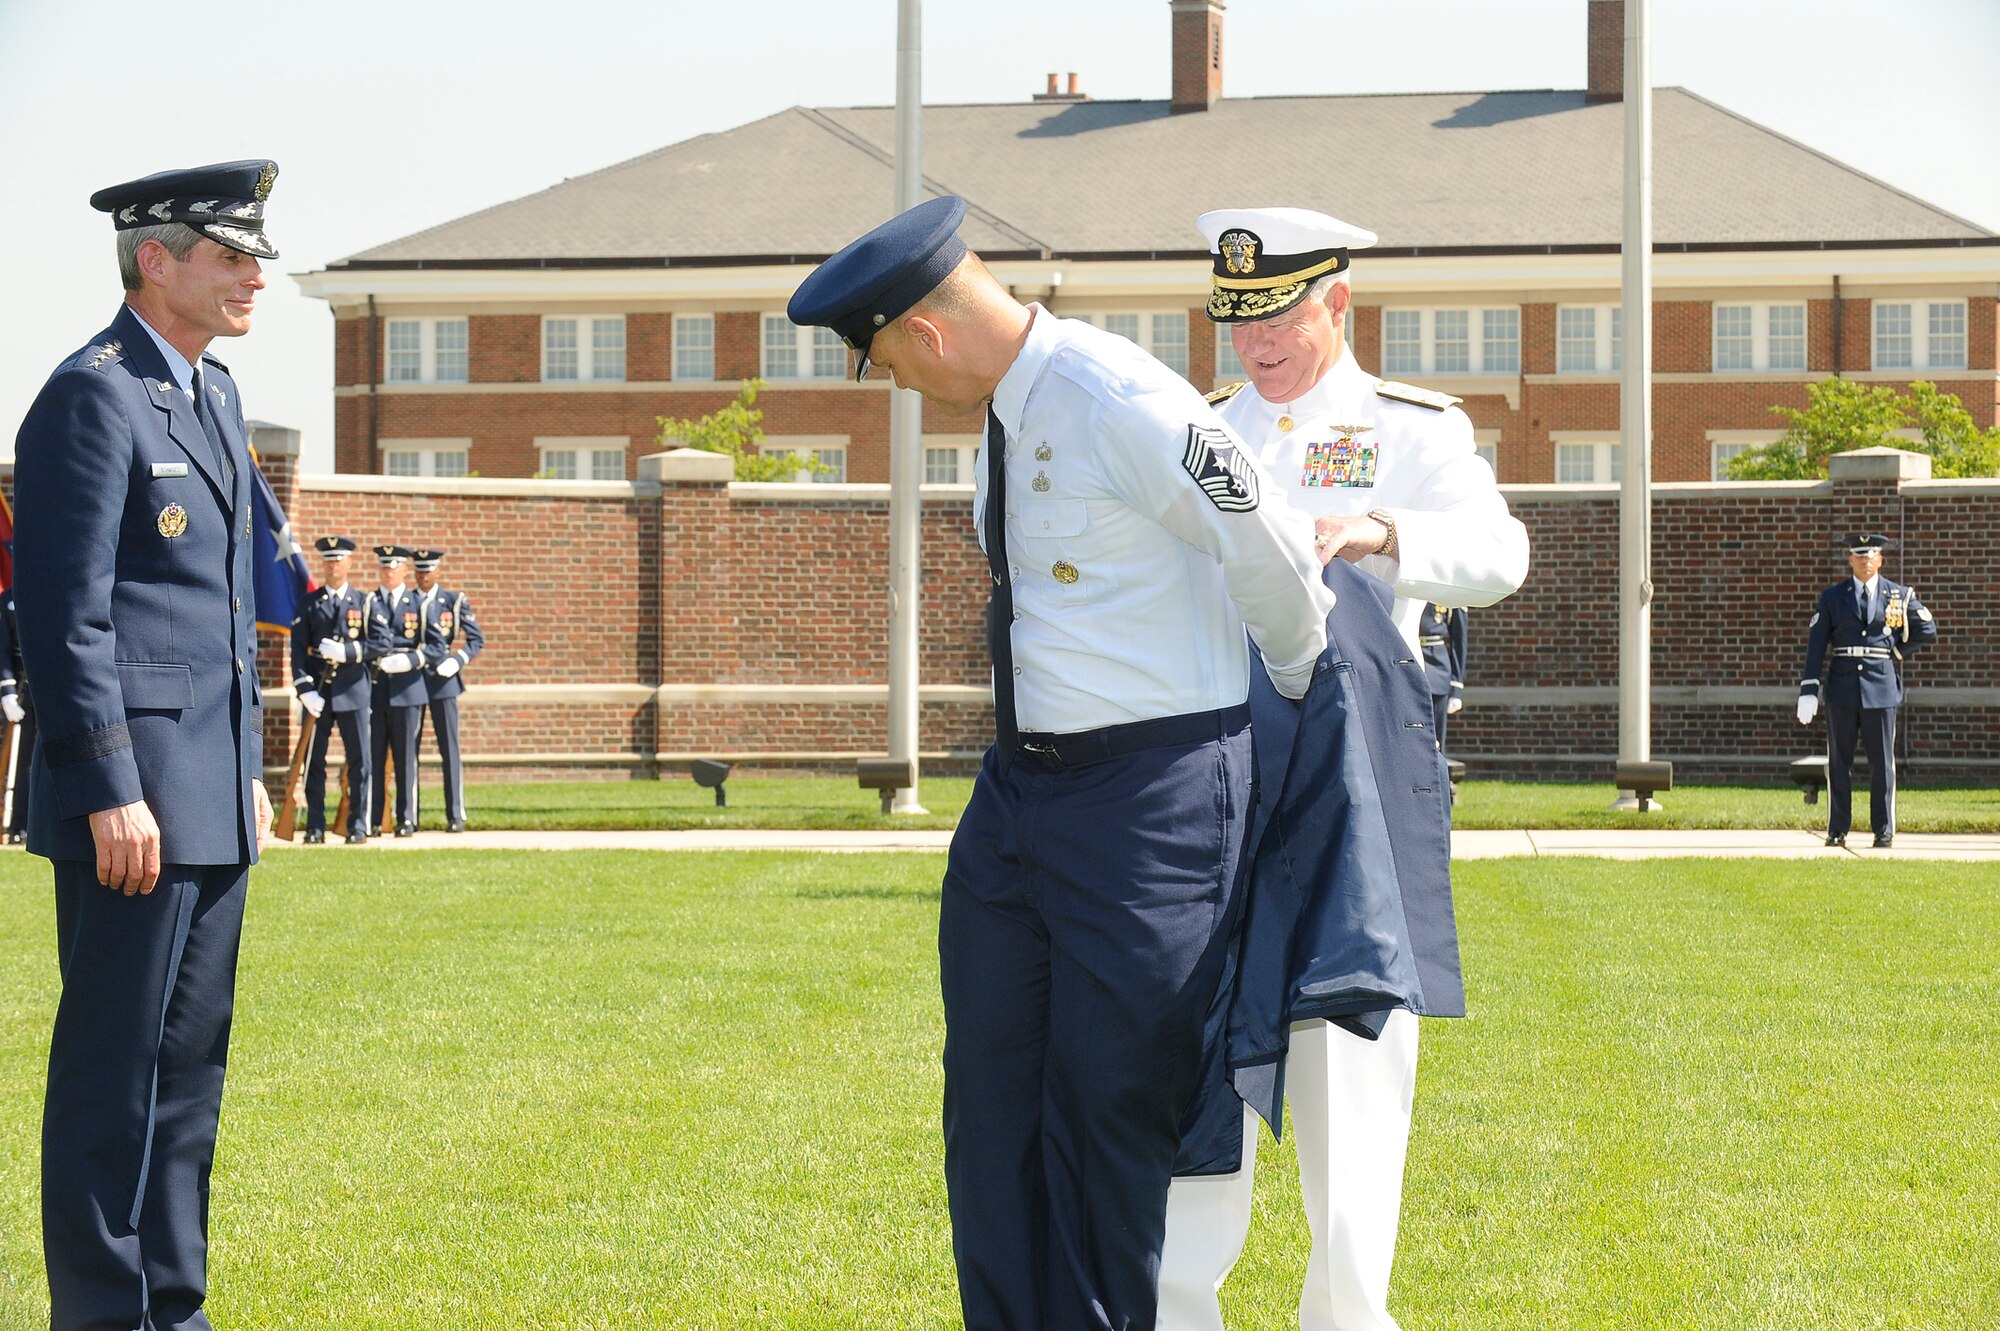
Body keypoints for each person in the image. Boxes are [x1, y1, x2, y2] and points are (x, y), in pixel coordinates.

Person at [788, 195, 1334, 1331]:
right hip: (1021, 796)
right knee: (988, 1112)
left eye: (883, 361)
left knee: (1103, 1120)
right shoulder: (1003, 410)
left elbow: (1273, 548)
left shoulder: (1115, 398)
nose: (892, 384)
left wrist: (1281, 696)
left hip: (1150, 804)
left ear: (927, 335)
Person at [1159, 207, 1530, 1331]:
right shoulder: (1192, 426)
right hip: (1204, 784)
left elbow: (1499, 554)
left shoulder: (1408, 429)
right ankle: (1175, 1310)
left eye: (1275, 315)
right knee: (1184, 1064)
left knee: (1348, 1078)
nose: (1254, 343)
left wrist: (1380, 530)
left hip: (1348, 795)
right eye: (1236, 320)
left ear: (1337, 304)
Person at [11, 159, 279, 1331]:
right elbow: (63, 617)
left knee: (188, 1081)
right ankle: (102, 1316)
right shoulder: (91, 394)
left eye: (253, 254)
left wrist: (251, 776)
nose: (252, 273)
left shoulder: (210, 395)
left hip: (210, 794)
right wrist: (110, 786)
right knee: (112, 1081)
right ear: (153, 258)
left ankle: (174, 1308)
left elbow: (227, 611)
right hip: (133, 804)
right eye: (228, 253)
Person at [1797, 533, 1936, 848]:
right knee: (1839, 762)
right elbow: (1817, 643)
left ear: (1880, 560)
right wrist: (1809, 688)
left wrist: (1895, 654)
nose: (1864, 561)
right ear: (1850, 560)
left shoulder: (1898, 595)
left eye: (1870, 555)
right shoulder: (1833, 597)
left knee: (1881, 763)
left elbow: (1927, 628)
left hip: (1881, 686)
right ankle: (1837, 829)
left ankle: (1883, 829)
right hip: (1843, 686)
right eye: (1858, 556)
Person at [290, 535, 388, 843]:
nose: (334, 564)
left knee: (359, 761)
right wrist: (304, 688)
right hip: (319, 693)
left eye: (339, 559)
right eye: (329, 559)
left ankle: (357, 824)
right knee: (314, 762)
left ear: (349, 563)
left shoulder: (364, 602)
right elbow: (296, 650)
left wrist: (349, 653)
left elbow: (382, 642)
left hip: (354, 690)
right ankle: (315, 826)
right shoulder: (309, 603)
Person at [412, 547, 482, 832]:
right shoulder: (407, 600)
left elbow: (476, 639)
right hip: (413, 678)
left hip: (444, 679)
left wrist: (457, 661)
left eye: (428, 570)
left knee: (449, 749)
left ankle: (455, 814)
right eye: (419, 570)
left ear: (438, 571)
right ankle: (409, 815)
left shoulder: (453, 601)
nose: (424, 576)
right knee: (408, 751)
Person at [366, 543, 424, 836]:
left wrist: (410, 659)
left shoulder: (418, 603)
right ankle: (376, 819)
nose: (389, 572)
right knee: (375, 757)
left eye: (395, 566)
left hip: (408, 688)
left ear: (405, 570)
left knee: (405, 758)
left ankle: (406, 818)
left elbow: (436, 646)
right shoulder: (368, 602)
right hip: (376, 689)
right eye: (385, 566)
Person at [1, 584, 35, 842]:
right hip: (23, 690)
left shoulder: (50, 590)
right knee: (22, 762)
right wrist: (7, 690)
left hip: (51, 686)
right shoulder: (9, 598)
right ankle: (18, 826)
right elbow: (3, 650)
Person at [1417, 603, 1468, 754]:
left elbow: (1460, 638)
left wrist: (1456, 686)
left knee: (1436, 742)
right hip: (1404, 659)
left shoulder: (1448, 586)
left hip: (1436, 665)